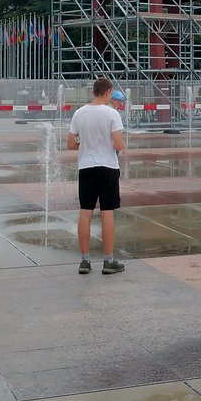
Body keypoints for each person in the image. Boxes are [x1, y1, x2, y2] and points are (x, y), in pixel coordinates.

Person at [67, 77, 127, 275]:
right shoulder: (112, 114)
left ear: (94, 91)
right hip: (108, 167)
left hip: (86, 167)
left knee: (85, 212)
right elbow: (118, 144)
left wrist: (85, 144)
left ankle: (85, 261)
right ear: (109, 91)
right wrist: (117, 145)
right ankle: (108, 261)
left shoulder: (79, 113)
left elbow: (70, 144)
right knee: (107, 212)